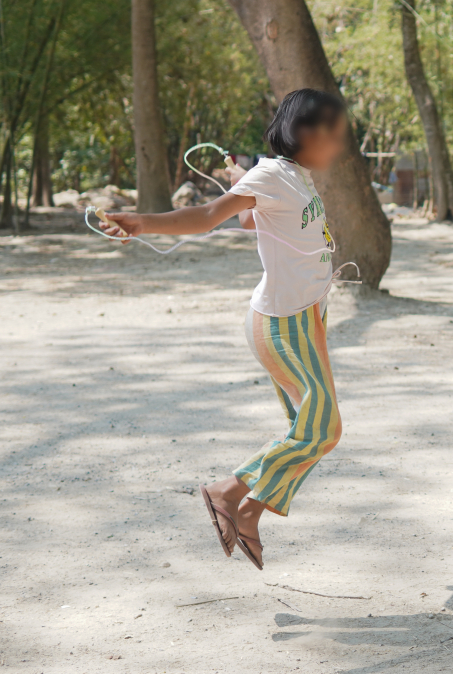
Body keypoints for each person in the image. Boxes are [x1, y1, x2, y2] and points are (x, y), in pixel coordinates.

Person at [102, 89, 348, 570]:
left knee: (314, 429)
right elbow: (208, 217)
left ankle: (252, 512)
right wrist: (141, 222)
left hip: (309, 319)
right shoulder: (273, 174)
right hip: (280, 325)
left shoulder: (294, 176)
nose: (339, 146)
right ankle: (227, 491)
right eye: (333, 136)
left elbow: (252, 220)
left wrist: (241, 179)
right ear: (306, 133)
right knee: (324, 428)